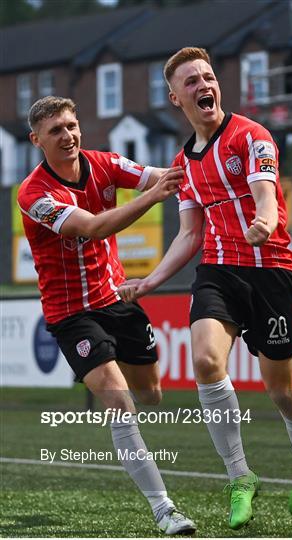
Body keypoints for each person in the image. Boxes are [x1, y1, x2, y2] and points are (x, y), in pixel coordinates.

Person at [118, 47, 292, 530]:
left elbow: (267, 197)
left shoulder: (252, 136)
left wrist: (264, 222)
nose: (203, 85)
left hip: (270, 270)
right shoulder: (182, 164)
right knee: (206, 361)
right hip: (219, 271)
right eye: (191, 81)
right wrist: (150, 281)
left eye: (208, 77)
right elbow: (189, 235)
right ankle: (239, 476)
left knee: (283, 391)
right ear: (175, 97)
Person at [17, 96, 196, 535]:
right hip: (71, 313)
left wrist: (190, 175)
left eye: (72, 125)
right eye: (56, 129)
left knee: (151, 395)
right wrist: (156, 195)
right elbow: (95, 227)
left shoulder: (105, 162)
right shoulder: (33, 194)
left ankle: (135, 447)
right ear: (36, 139)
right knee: (119, 399)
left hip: (117, 300)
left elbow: (157, 176)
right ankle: (164, 510)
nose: (68, 135)